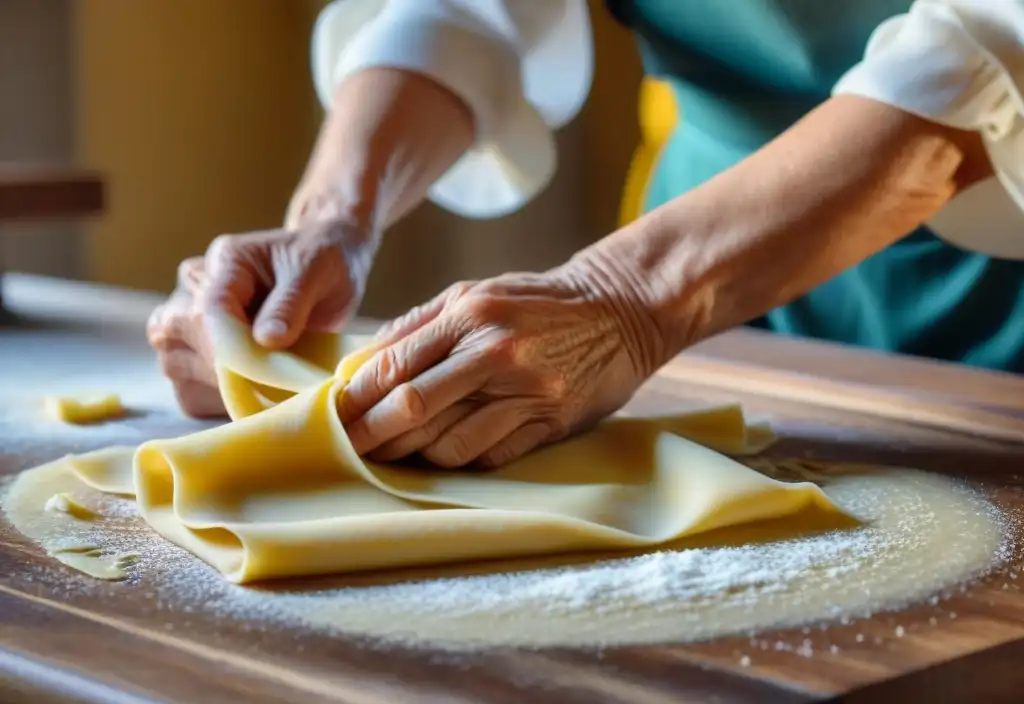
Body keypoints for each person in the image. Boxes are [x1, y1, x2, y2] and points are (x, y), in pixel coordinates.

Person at [148, 0, 1024, 469]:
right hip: (720, 285)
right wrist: (333, 219)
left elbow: (990, 49)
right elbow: (467, 9)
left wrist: (627, 299)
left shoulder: (641, 298)